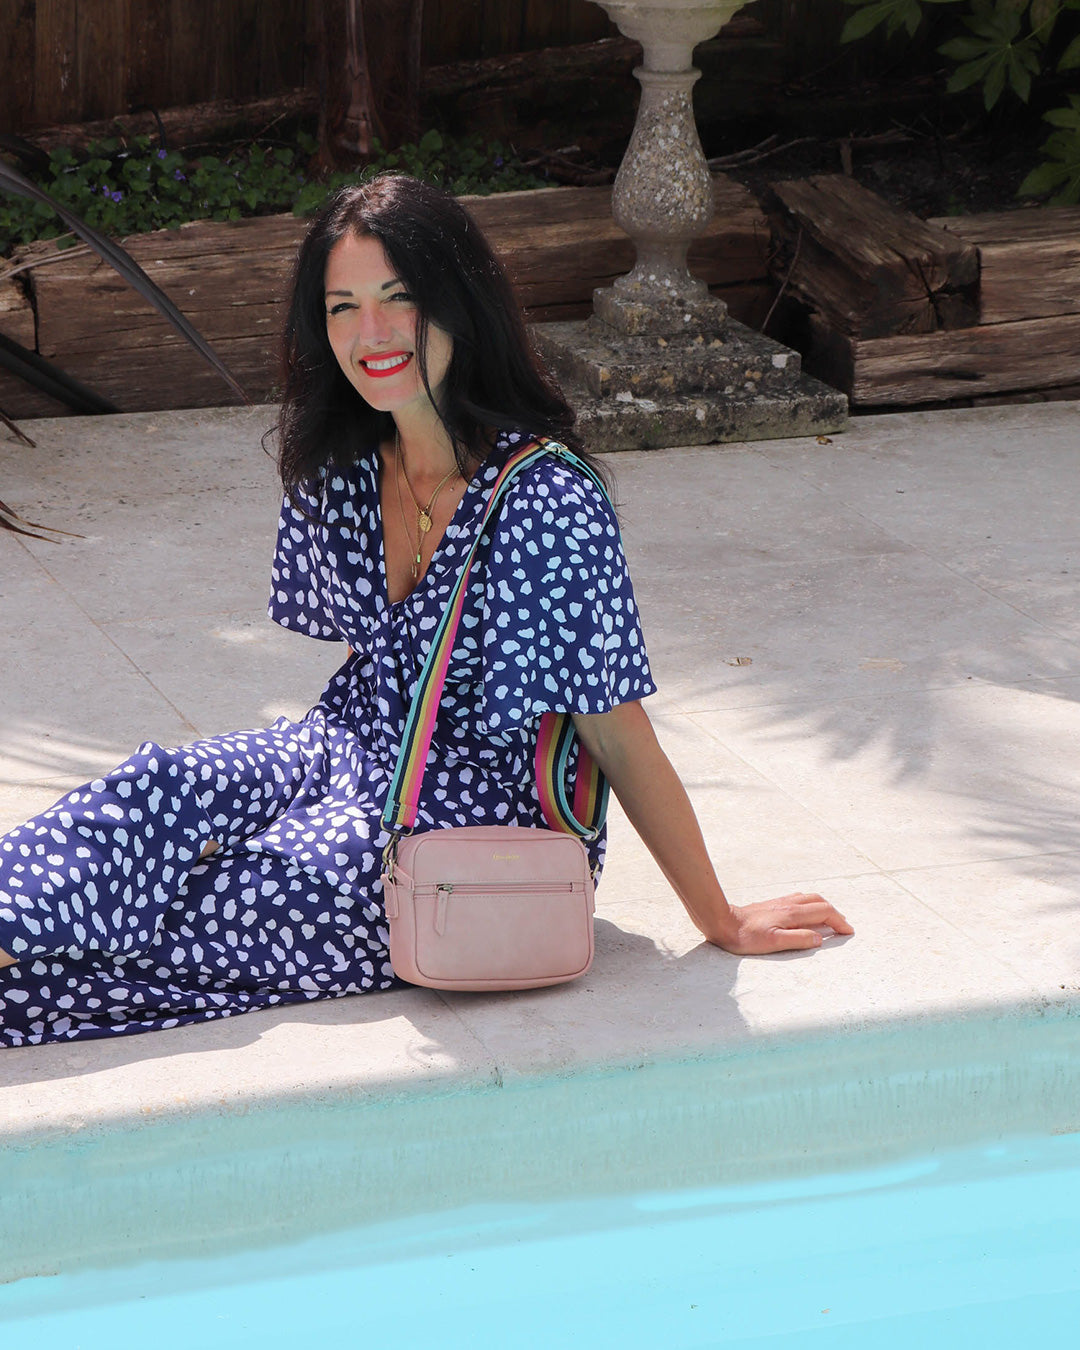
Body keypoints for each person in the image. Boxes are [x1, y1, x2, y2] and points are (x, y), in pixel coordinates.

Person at [0, 174, 851, 1046]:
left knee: (222, 898)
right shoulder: (342, 466)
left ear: (458, 303)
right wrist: (300, 789)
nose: (370, 333)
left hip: (472, 830)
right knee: (160, 789)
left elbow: (618, 734)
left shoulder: (545, 504)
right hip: (346, 749)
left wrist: (719, 916)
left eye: (398, 298)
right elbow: (371, 658)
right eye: (342, 307)